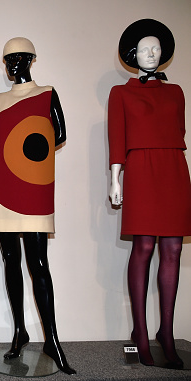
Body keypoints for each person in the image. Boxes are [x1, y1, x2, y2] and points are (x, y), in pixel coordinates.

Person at [0, 37, 75, 374]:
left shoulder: (47, 93)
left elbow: (60, 134)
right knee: (11, 259)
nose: (11, 65)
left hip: (34, 187)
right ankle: (19, 331)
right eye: (7, 60)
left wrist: (31, 151)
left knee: (38, 262)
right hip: (3, 188)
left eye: (18, 59)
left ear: (30, 60)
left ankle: (52, 339)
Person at [108, 19, 190, 368]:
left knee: (173, 249)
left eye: (156, 48)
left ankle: (166, 334)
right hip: (140, 170)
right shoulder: (121, 92)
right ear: (132, 54)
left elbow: (179, 133)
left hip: (173, 168)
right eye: (144, 48)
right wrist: (115, 179)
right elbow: (117, 139)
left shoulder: (176, 92)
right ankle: (140, 332)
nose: (151, 53)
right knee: (143, 245)